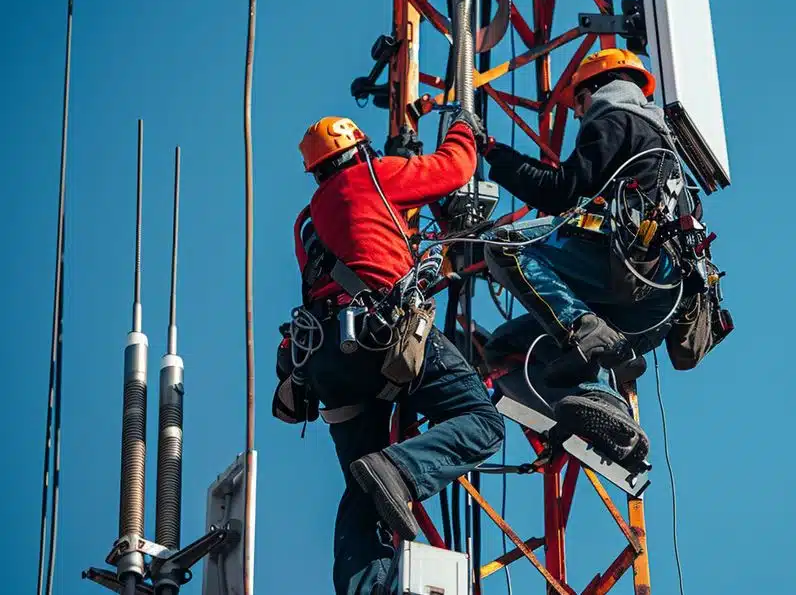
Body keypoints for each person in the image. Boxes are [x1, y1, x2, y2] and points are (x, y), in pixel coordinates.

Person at [279, 113, 505, 595]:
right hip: (383, 333)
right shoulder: (374, 176)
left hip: (325, 358)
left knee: (364, 492)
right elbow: (455, 167)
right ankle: (401, 469)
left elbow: (362, 239)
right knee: (482, 422)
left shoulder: (308, 222)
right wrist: (465, 127)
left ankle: (365, 589)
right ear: (359, 152)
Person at [477, 48, 688, 469]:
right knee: (509, 345)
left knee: (505, 245)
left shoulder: (615, 120)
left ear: (596, 88)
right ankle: (606, 408)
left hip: (628, 268)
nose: (578, 116)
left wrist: (494, 154)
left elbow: (560, 189)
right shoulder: (666, 149)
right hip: (656, 308)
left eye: (578, 104)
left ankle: (585, 333)